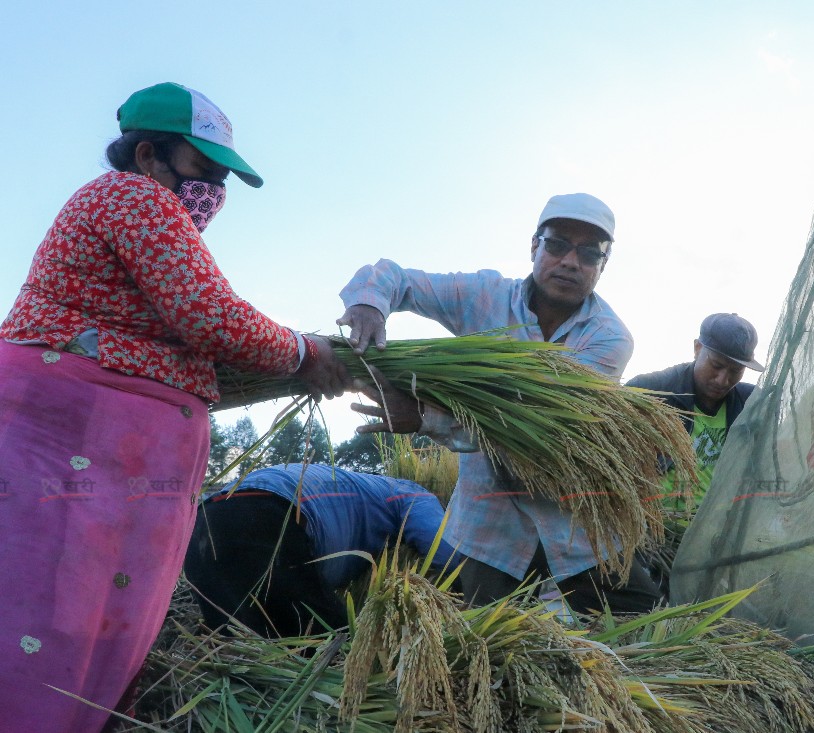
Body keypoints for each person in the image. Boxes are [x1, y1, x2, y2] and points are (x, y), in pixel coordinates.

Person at [0, 83, 348, 732]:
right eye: (202, 168)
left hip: (106, 459)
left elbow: (187, 337)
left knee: (75, 624)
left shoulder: (146, 212)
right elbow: (210, 316)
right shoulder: (134, 196)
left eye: (221, 178)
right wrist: (308, 353)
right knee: (43, 616)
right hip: (70, 444)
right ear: (149, 155)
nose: (212, 189)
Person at [336, 193, 662, 614]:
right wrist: (369, 302)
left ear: (603, 265)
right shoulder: (485, 297)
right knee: (482, 645)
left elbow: (539, 426)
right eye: (558, 244)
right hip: (490, 525)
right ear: (534, 246)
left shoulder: (609, 339)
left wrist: (426, 418)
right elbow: (397, 278)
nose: (570, 262)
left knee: (641, 617)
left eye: (588, 253)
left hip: (574, 521)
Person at [184, 463, 462, 637]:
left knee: (231, 647)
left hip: (200, 525)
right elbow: (446, 553)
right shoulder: (410, 491)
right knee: (331, 644)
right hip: (264, 517)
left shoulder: (353, 486)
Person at [627, 312, 764, 510]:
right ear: (697, 348)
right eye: (716, 365)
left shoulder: (752, 403)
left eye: (736, 371)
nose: (722, 380)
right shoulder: (648, 390)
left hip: (710, 528)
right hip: (651, 523)